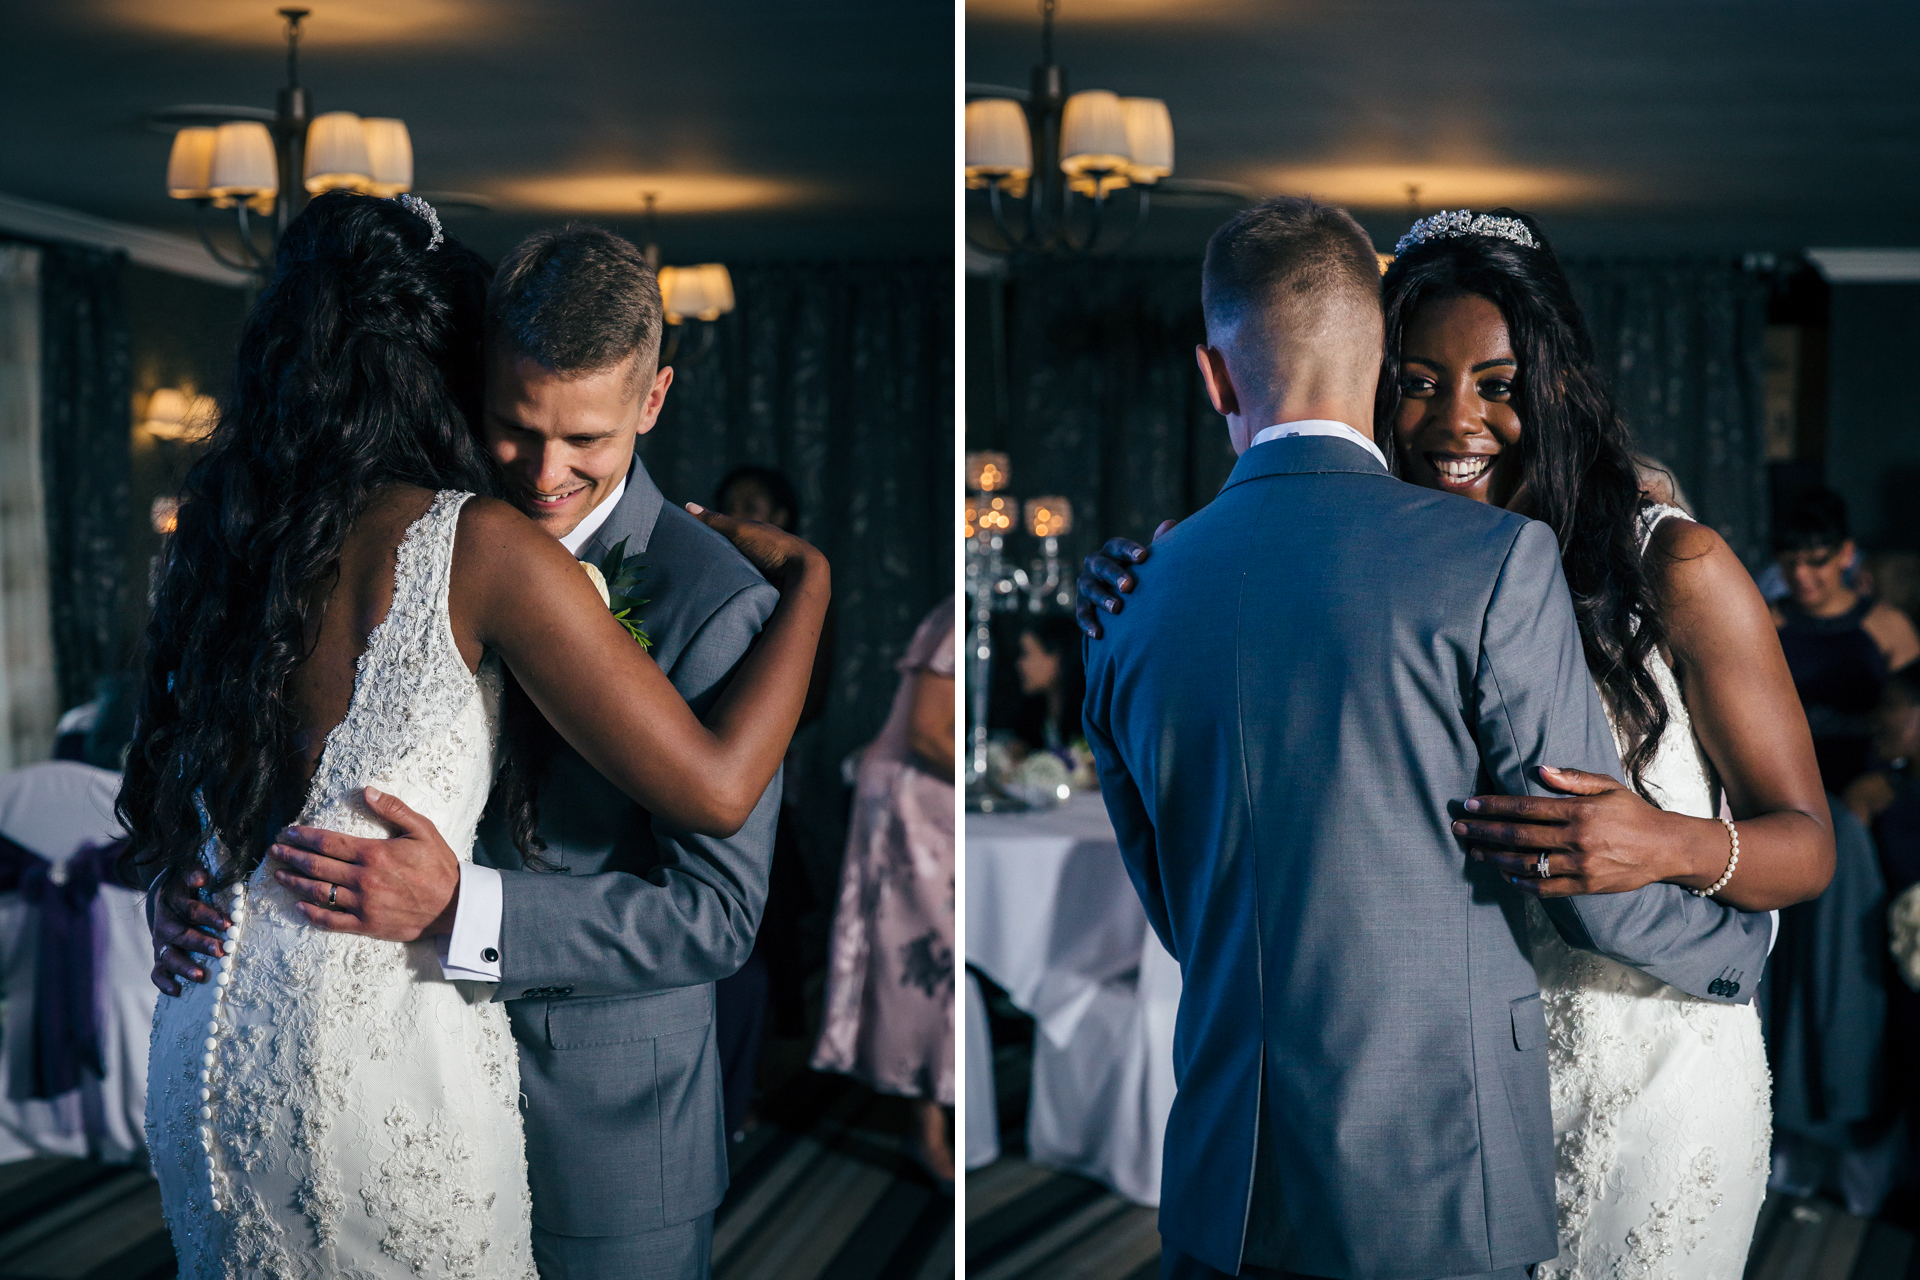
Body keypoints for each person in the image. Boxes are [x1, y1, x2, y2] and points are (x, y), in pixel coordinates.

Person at [1076, 196, 1775, 1280]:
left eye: (1499, 386)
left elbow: (1180, 905)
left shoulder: (1135, 601)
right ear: (1375, 373)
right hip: (1445, 1171)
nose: (1459, 418)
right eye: (1422, 380)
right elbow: (1582, 883)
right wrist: (1742, 952)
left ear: (1216, 378)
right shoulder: (1492, 562)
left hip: (1230, 1179)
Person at [131, 194, 828, 1279]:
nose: (545, 468)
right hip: (368, 1070)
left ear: (653, 401)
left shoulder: (716, 597)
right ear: (468, 377)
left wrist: (468, 908)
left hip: (600, 1125)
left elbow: (719, 913)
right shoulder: (440, 527)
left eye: (585, 438)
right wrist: (202, 870)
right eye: (516, 421)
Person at [810, 595, 956, 1191]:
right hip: (912, 797)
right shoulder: (951, 616)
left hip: (935, 798)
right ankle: (927, 1125)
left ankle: (944, 1108)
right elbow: (925, 733)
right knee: (927, 962)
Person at [710, 463, 827, 1144]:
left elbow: (809, 697)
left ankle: (757, 1074)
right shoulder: (706, 578)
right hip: (709, 757)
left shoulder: (803, 591)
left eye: (758, 506)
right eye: (734, 505)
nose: (745, 517)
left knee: (768, 921)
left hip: (768, 770)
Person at [1773, 488, 1920, 793]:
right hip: (1788, 783)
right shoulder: (1763, 623)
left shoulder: (1888, 626)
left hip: (1872, 783)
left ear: (1846, 553)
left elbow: (1914, 723)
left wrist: (1893, 780)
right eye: (1789, 563)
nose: (1800, 575)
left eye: (1816, 561)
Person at [1009, 613, 1084, 755]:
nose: (1019, 664)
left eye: (1026, 654)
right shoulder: (1032, 714)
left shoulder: (1090, 713)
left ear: (1056, 657)